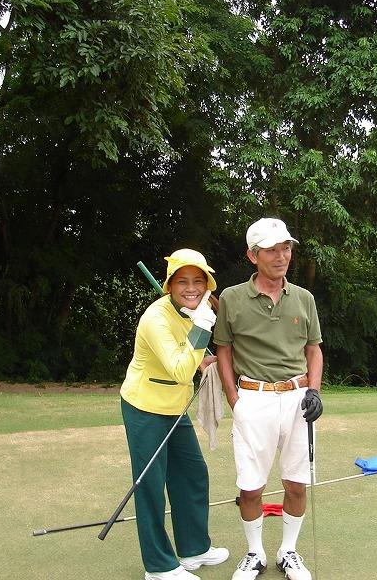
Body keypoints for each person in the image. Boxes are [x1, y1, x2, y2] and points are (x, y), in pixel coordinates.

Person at [213, 219, 324, 580]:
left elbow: (313, 350)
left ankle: (288, 551)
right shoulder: (231, 298)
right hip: (253, 398)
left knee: (296, 482)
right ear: (252, 255)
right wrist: (234, 398)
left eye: (286, 248)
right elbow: (224, 350)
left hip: (297, 399)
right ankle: (255, 553)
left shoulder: (304, 298)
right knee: (250, 487)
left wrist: (314, 391)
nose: (282, 256)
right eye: (272, 250)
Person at [119, 248, 230, 580]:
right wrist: (203, 327)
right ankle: (159, 566)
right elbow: (181, 369)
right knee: (151, 485)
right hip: (145, 407)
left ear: (207, 285)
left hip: (174, 407)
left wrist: (202, 355)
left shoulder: (191, 312)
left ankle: (194, 548)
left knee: (192, 474)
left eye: (198, 281)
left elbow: (189, 355)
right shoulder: (156, 319)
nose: (191, 288)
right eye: (182, 281)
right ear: (169, 285)